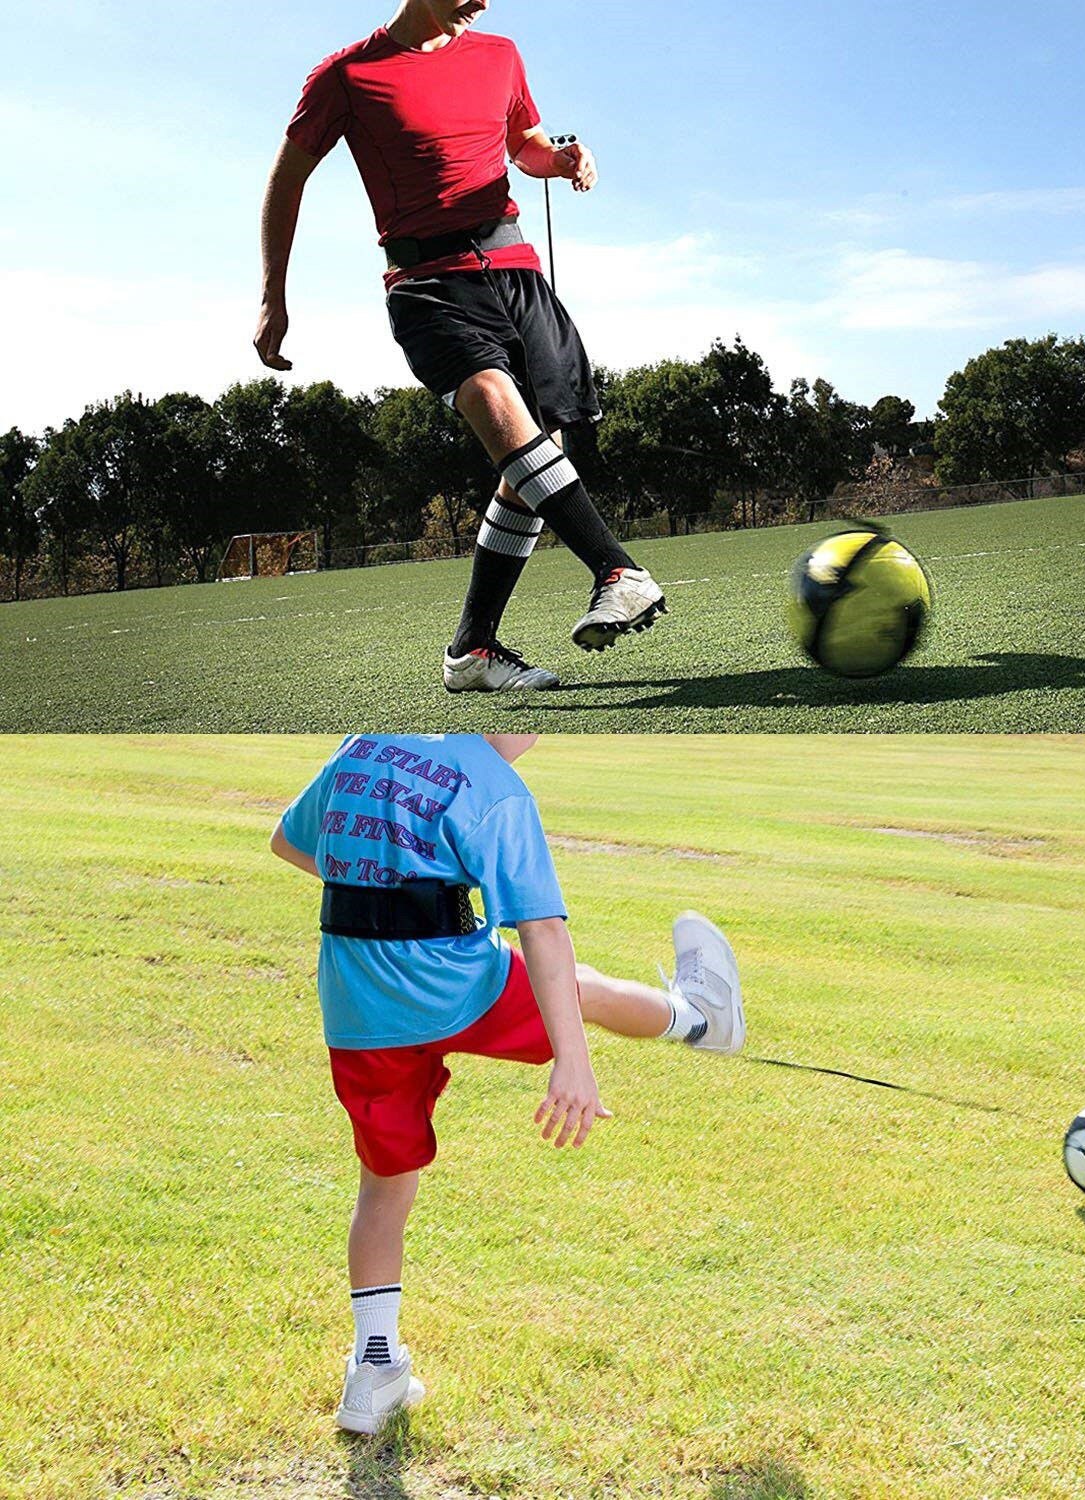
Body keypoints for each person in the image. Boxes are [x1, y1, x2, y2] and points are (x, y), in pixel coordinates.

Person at [271, 732, 745, 1433]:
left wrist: (387, 902)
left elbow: (289, 840)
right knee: (579, 991)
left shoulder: (361, 745)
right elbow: (544, 934)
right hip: (458, 989)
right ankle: (698, 1016)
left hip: (359, 1007)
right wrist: (572, 1059)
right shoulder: (490, 785)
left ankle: (373, 1371)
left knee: (385, 1183)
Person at [256, 1, 667, 694]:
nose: (482, 2)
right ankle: (617, 571)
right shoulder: (347, 76)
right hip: (428, 283)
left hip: (517, 274)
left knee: (534, 467)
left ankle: (472, 651)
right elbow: (286, 181)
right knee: (494, 405)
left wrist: (560, 159)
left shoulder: (500, 55)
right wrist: (274, 295)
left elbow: (524, 146)